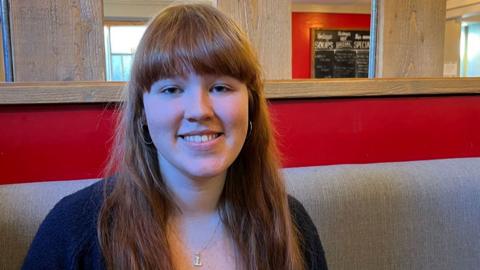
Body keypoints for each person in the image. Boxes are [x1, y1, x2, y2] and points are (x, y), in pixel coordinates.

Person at [22, 3, 328, 270]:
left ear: (250, 105)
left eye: (220, 87)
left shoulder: (292, 223)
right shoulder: (72, 230)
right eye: (171, 89)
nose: (198, 110)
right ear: (142, 112)